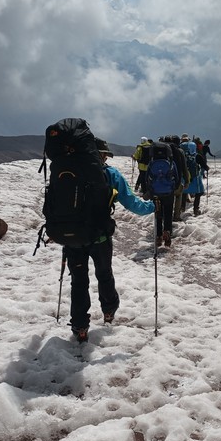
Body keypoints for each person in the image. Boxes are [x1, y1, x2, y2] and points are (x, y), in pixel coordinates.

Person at [66, 138, 154, 342]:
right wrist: (153, 206)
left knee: (78, 281)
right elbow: (132, 203)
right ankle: (109, 310)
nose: (105, 158)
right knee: (104, 274)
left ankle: (80, 326)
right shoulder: (110, 174)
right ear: (100, 155)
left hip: (73, 238)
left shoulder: (67, 172)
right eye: (104, 154)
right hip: (100, 237)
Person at [181, 136, 209, 215]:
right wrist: (207, 168)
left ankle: (182, 208)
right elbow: (205, 166)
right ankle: (196, 209)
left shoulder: (182, 156)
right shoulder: (197, 156)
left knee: (184, 192)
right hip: (195, 178)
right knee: (198, 193)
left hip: (185, 178)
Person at [167, 134, 190, 222]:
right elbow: (184, 167)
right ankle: (176, 216)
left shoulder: (166, 150)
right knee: (178, 196)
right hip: (177, 180)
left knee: (167, 198)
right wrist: (187, 180)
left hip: (165, 180)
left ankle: (166, 216)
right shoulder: (180, 151)